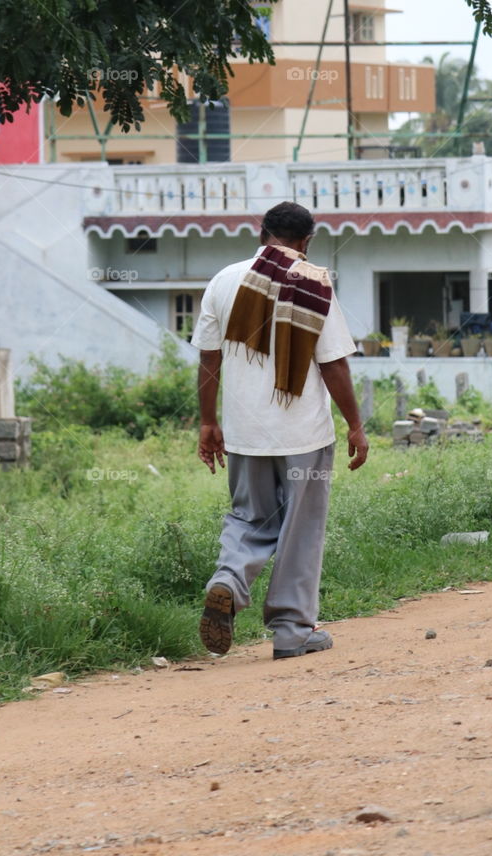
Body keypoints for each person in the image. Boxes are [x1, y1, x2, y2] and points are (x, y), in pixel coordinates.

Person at [191, 201, 369, 661]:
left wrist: (209, 422)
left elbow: (209, 360)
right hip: (303, 435)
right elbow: (333, 364)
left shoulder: (223, 281)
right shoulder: (314, 284)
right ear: (307, 240)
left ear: (261, 231)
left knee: (249, 517)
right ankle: (291, 630)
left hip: (245, 433)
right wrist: (355, 424)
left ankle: (227, 582)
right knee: (300, 529)